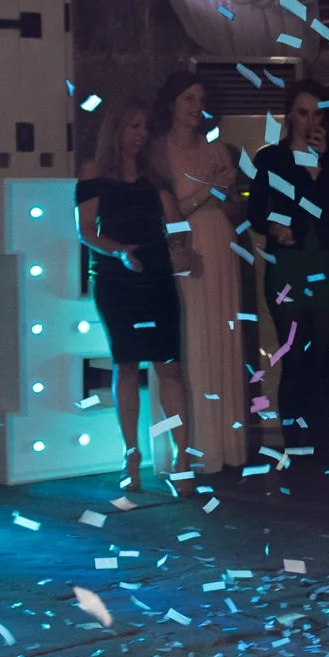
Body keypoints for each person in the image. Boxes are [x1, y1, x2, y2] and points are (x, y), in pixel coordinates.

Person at [74, 101, 187, 492]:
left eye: (145, 128)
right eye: (134, 126)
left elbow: (176, 223)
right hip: (115, 277)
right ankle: (131, 455)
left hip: (156, 275)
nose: (141, 134)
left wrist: (181, 246)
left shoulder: (154, 175)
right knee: (125, 365)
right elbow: (85, 230)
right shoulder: (94, 171)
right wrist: (119, 252)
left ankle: (182, 458)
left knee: (169, 366)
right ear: (117, 129)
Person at [252, 79, 329, 463]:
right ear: (290, 115)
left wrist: (322, 164)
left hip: (326, 263)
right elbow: (255, 211)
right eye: (302, 112)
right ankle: (295, 442)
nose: (309, 120)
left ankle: (322, 441)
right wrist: (274, 226)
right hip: (289, 266)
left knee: (324, 356)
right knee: (294, 355)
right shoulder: (271, 158)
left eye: (316, 113)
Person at [149, 71, 249, 475]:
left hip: (221, 246)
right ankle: (189, 447)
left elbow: (236, 210)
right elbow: (169, 211)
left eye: (200, 99)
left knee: (221, 337)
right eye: (188, 98)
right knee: (190, 340)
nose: (196, 107)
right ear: (172, 102)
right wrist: (208, 189)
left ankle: (224, 442)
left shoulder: (218, 149)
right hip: (184, 249)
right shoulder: (158, 150)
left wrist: (229, 193)